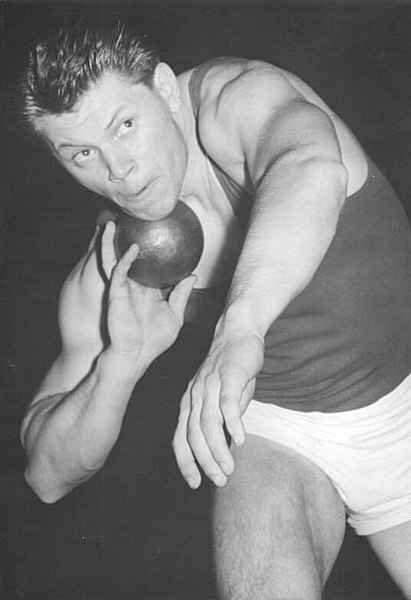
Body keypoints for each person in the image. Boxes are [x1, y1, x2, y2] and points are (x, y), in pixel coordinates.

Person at [19, 19, 411, 600]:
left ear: (165, 89)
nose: (118, 170)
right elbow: (47, 474)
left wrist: (240, 329)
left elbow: (309, 166)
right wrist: (121, 363)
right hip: (280, 433)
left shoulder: (234, 99)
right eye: (83, 154)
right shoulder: (115, 260)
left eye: (125, 125)